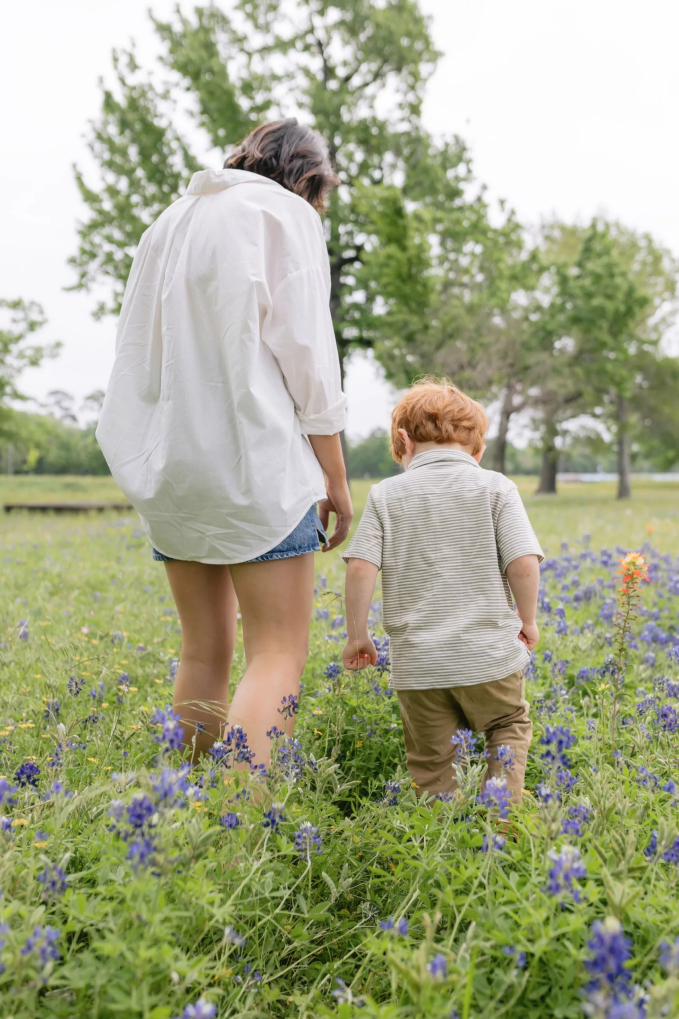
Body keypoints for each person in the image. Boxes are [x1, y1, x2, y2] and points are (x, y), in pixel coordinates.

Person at [97, 119, 353, 767]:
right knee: (276, 651)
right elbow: (309, 363)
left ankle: (181, 808)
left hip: (173, 466)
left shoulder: (169, 222)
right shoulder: (284, 217)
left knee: (202, 650)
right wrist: (336, 479)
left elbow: (135, 350)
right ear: (307, 179)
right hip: (255, 462)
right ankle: (241, 830)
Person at [341, 378, 543, 803]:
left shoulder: (385, 495)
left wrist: (357, 633)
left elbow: (360, 567)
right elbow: (523, 561)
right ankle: (500, 824)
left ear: (402, 441)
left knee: (432, 765)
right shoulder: (496, 487)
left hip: (420, 666)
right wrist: (527, 620)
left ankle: (440, 837)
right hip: (488, 654)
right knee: (507, 726)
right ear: (478, 449)